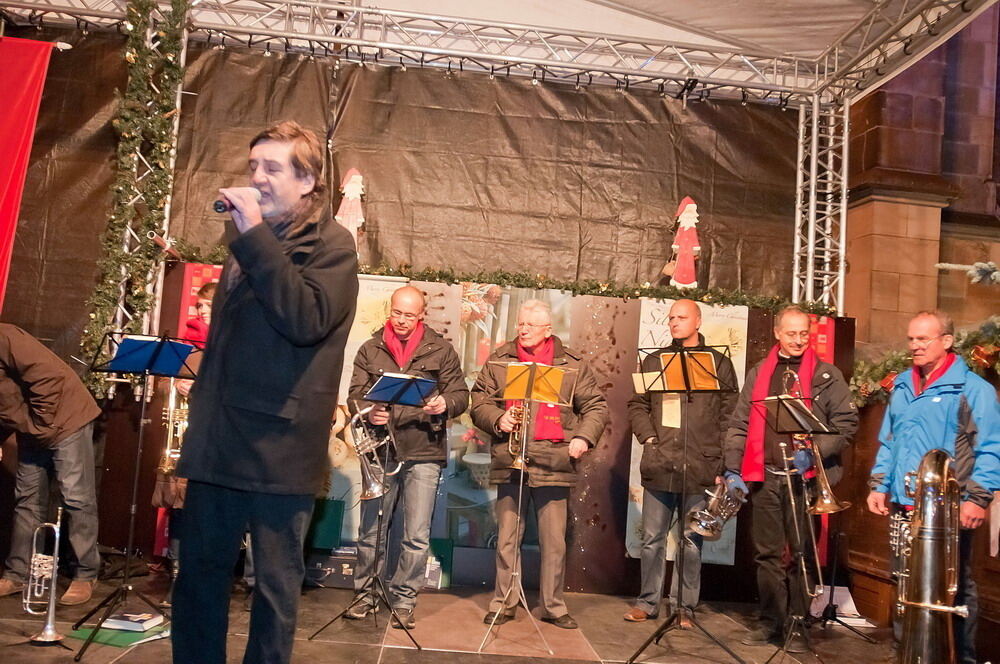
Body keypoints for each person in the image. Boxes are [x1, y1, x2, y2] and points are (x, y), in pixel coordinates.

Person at [173, 120, 359, 664]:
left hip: (279, 446)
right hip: (219, 442)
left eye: (272, 168)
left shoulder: (332, 246)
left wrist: (252, 235)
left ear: (307, 181)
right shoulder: (246, 242)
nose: (257, 177)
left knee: (275, 590)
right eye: (253, 165)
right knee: (199, 578)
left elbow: (304, 320)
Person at [867, 310, 1000, 664]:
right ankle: (909, 654)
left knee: (954, 588)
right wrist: (879, 484)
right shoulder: (902, 386)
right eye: (911, 339)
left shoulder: (974, 390)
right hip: (905, 504)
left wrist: (978, 499)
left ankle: (961, 658)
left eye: (923, 339)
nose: (915, 346)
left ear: (946, 341)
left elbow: (990, 447)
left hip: (949, 509)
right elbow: (889, 441)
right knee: (905, 582)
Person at [722, 306, 857, 653]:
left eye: (803, 334)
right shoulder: (758, 373)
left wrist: (813, 452)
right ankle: (771, 622)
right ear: (778, 334)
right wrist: (733, 468)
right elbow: (740, 423)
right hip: (765, 476)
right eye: (791, 333)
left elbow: (846, 426)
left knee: (801, 554)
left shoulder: (828, 376)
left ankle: (798, 624)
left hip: (805, 478)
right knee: (766, 555)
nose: (798, 340)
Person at [470, 299, 608, 630]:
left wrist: (583, 439)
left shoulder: (571, 364)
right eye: (520, 324)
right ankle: (503, 602)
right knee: (506, 537)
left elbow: (596, 407)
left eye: (530, 325)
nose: (523, 330)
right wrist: (499, 419)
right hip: (512, 459)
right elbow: (480, 401)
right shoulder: (501, 359)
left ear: (548, 330)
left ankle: (553, 606)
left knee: (554, 542)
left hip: (554, 460)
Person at [345, 285, 469, 629]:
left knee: (415, 535)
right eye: (397, 313)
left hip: (424, 450)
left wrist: (445, 404)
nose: (401, 320)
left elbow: (461, 394)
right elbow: (354, 395)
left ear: (421, 316)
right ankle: (364, 595)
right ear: (391, 310)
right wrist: (369, 412)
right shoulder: (370, 349)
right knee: (372, 530)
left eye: (409, 315)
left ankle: (404, 601)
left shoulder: (441, 349)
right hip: (380, 449)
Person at [624, 299, 738, 625]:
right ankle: (647, 603)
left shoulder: (718, 363)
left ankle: (684, 607)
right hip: (661, 462)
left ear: (698, 321)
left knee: (691, 540)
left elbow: (729, 416)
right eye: (671, 317)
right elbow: (637, 404)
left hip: (702, 465)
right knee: (652, 541)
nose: (674, 322)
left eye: (681, 317)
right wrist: (649, 439)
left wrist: (721, 463)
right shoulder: (655, 360)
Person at [0, 324, 102, 606]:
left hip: (65, 418)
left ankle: (86, 573)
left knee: (76, 497)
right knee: (27, 500)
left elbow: (49, 377)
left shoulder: (6, 337)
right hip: (33, 426)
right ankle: (18, 573)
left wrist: (42, 425)